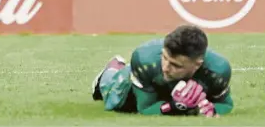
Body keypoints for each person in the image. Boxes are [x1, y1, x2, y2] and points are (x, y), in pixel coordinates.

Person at [91, 25, 233, 117]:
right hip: (141, 79)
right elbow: (145, 109)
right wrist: (173, 107)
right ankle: (113, 68)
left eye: (176, 65)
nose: (165, 67)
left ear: (197, 64)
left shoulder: (218, 70)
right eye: (164, 57)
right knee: (114, 97)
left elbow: (226, 105)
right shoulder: (145, 59)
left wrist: (210, 110)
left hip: (160, 83)